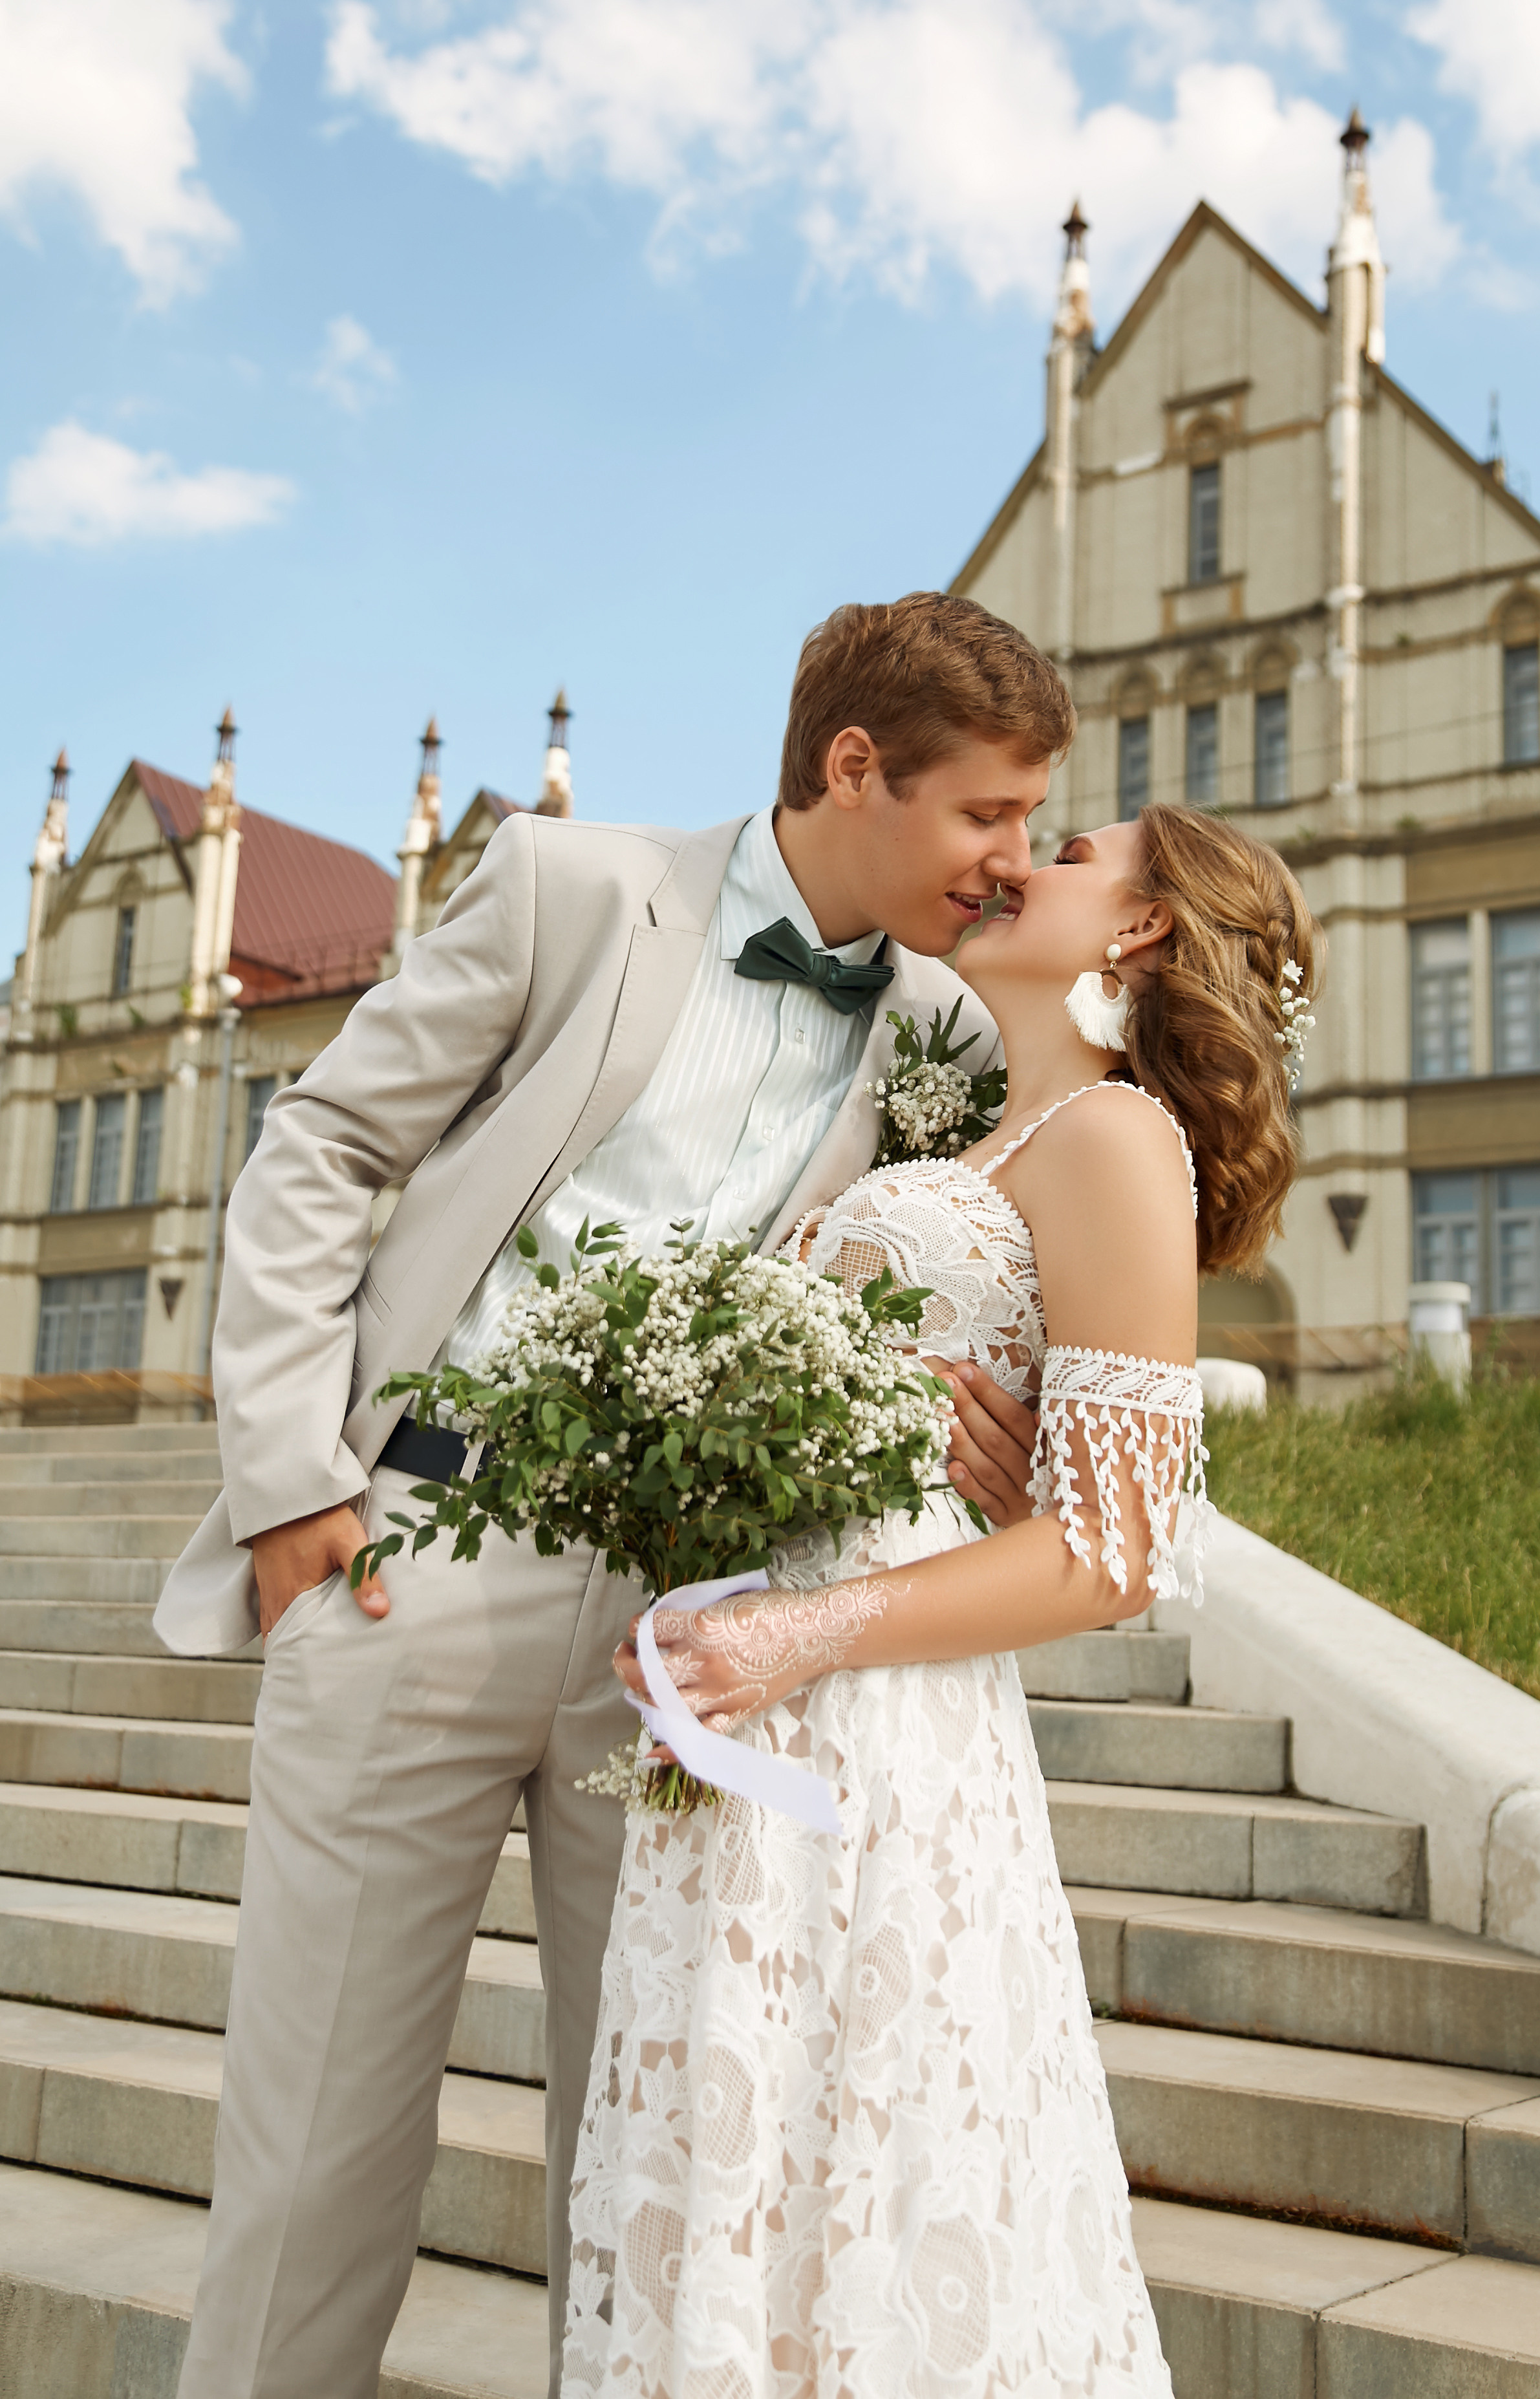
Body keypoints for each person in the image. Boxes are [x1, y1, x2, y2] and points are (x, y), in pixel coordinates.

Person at [154, 592, 1074, 2397]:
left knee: (647, 2150)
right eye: (988, 812)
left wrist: (1010, 1426)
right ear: (856, 765)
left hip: (686, 1636)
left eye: (1034, 820)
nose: (1014, 859)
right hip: (415, 1562)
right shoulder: (573, 888)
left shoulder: (952, 1030)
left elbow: (1003, 1259)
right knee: (319, 2147)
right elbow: (323, 1144)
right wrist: (288, 1490)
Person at [571, 800, 1319, 2396]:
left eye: (1071, 853)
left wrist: (797, 1633)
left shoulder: (1116, 1136)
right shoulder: (973, 1135)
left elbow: (1112, 1552)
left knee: (876, 2157)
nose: (1018, 862)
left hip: (881, 1717)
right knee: (759, 2155)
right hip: (767, 1686)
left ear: (1139, 928)